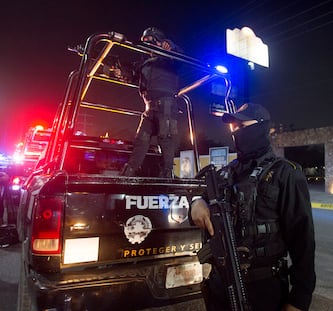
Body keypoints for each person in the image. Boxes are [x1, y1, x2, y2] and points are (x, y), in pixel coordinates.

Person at [190, 103, 316, 311]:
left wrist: (299, 299)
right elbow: (200, 200)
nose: (235, 131)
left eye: (241, 125)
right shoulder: (225, 174)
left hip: (264, 288)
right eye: (233, 126)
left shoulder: (285, 173)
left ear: (262, 128)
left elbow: (303, 240)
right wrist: (197, 203)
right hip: (220, 284)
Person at [121, 27, 180, 177]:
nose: (147, 45)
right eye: (145, 42)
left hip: (166, 105)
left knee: (166, 139)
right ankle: (128, 173)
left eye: (150, 41)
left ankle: (167, 175)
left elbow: (180, 57)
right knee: (141, 140)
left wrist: (171, 47)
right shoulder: (144, 63)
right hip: (150, 107)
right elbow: (134, 77)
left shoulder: (168, 58)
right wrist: (122, 73)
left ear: (158, 42)